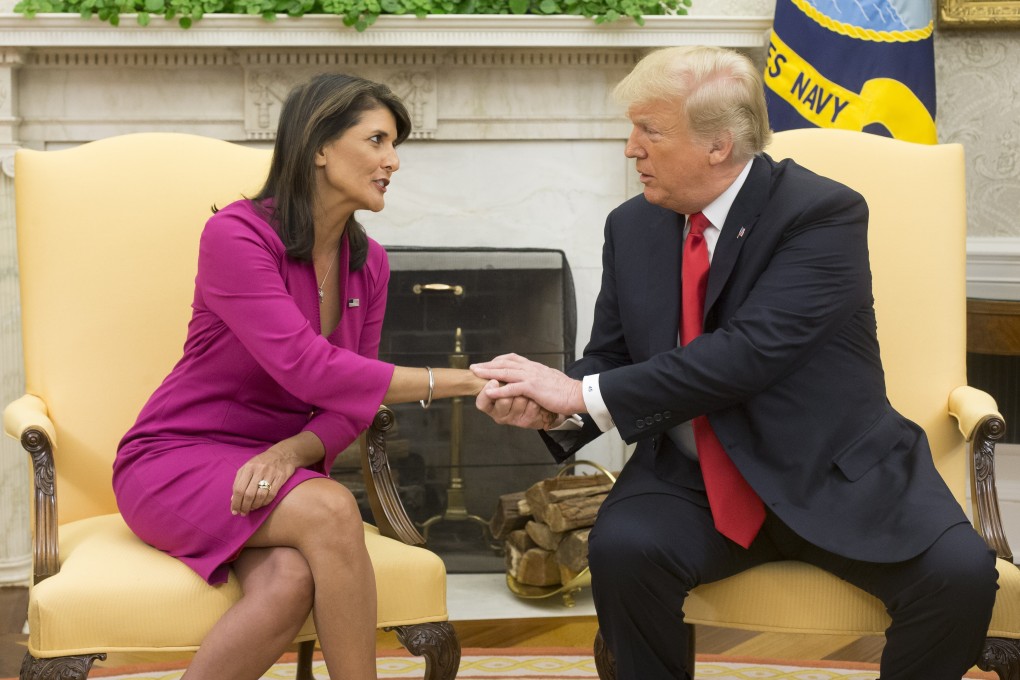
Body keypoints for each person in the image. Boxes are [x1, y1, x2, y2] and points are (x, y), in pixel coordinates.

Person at [471, 46, 999, 680]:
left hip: (830, 470)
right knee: (625, 549)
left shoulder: (821, 214)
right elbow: (613, 356)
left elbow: (749, 354)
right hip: (692, 482)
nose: (630, 148)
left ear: (718, 145)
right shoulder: (632, 226)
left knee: (961, 577)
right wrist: (551, 410)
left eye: (650, 130)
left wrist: (579, 395)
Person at [113, 73, 485, 680]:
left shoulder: (370, 264)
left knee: (287, 583)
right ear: (318, 145)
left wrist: (290, 452)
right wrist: (459, 382)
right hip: (175, 458)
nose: (393, 161)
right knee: (334, 508)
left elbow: (351, 405)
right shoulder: (236, 235)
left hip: (276, 474)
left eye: (395, 146)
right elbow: (307, 368)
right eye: (377, 141)